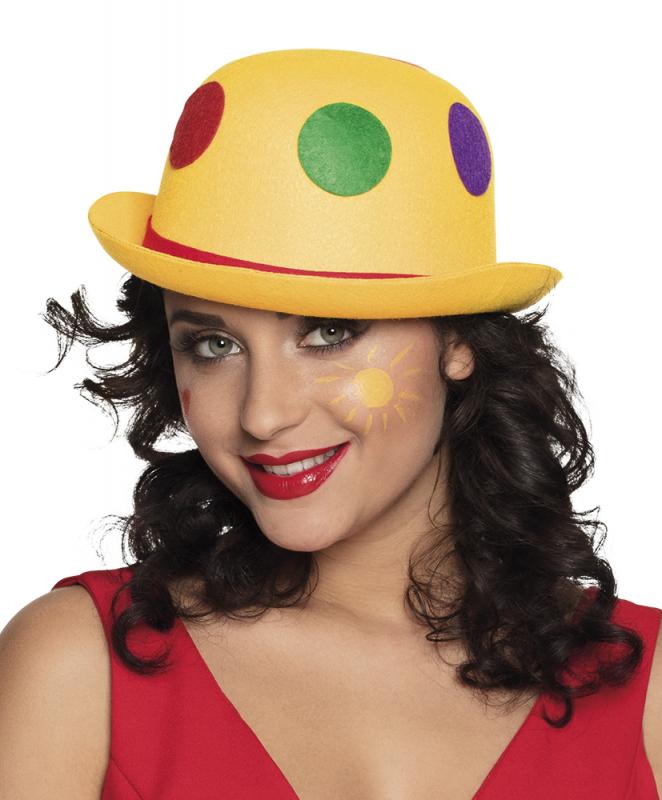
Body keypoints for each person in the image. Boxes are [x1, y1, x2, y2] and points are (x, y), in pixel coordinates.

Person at [0, 48, 660, 799]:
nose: (264, 413)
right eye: (213, 345)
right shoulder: (76, 669)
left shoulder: (647, 694)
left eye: (329, 332)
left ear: (458, 341)